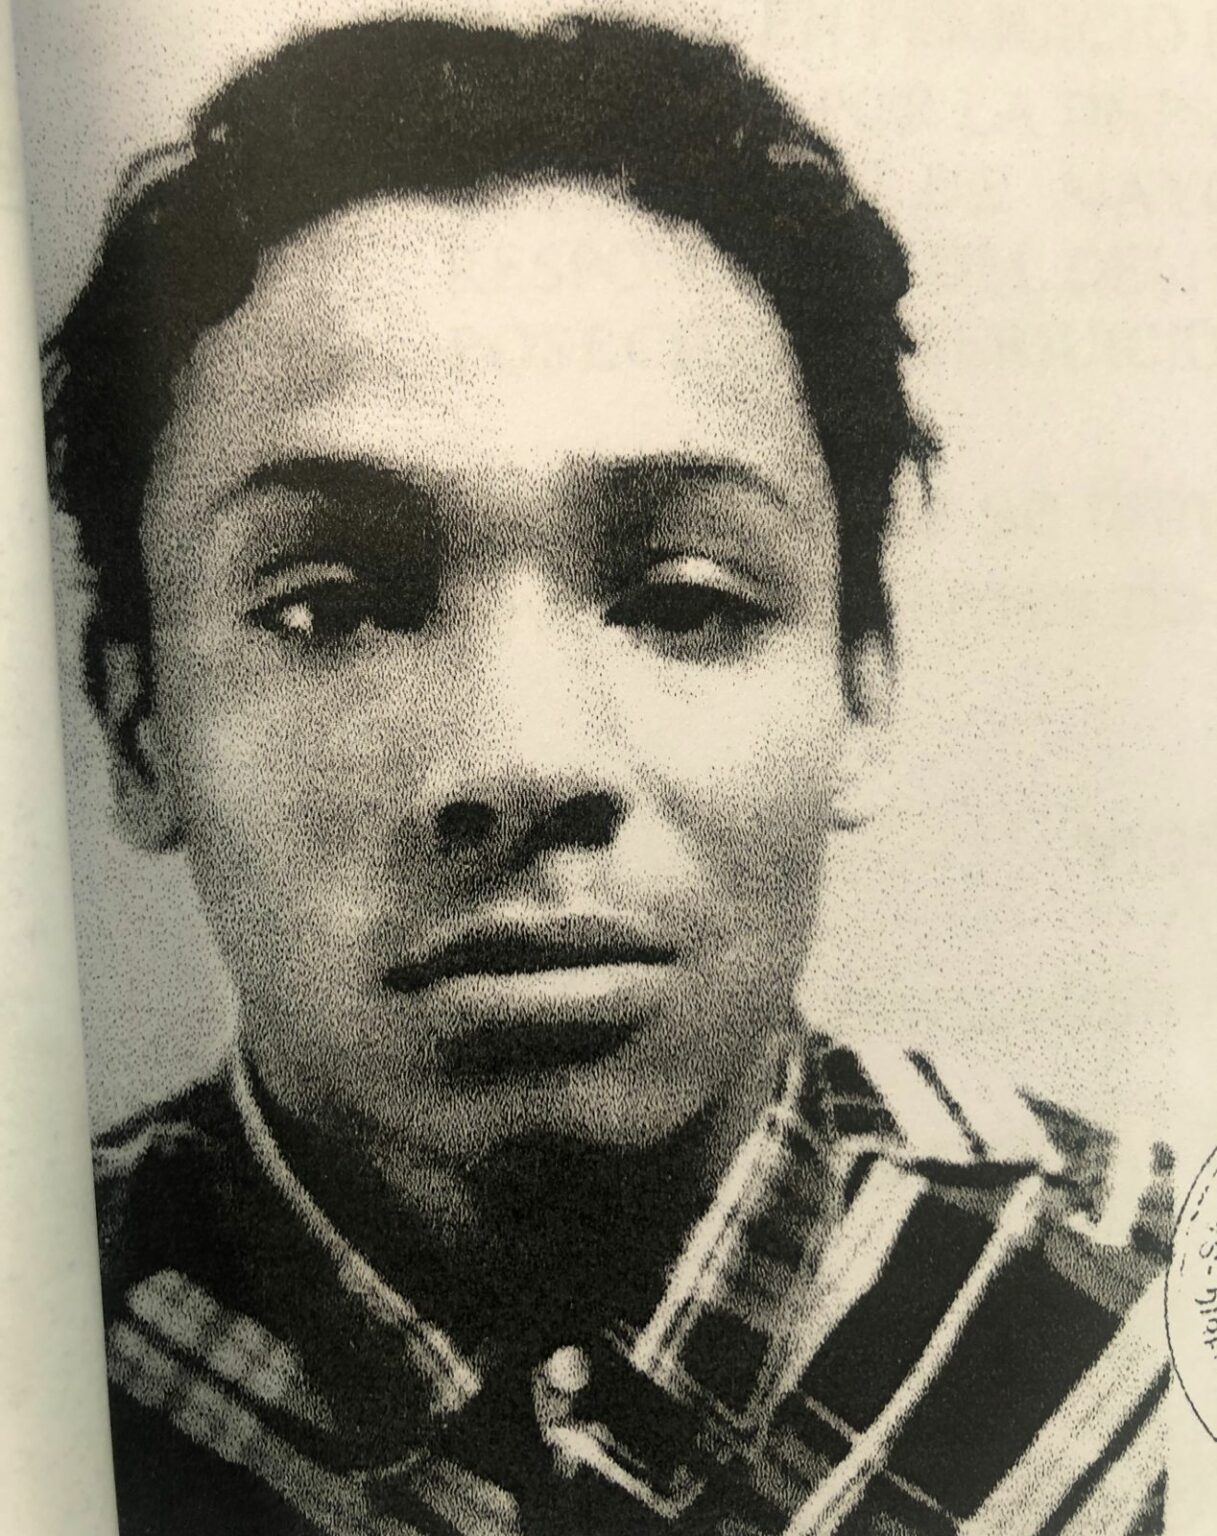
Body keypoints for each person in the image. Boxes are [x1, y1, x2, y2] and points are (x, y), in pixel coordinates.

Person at [43, 14, 1173, 1534]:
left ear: (857, 684)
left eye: (686, 601)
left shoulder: (1155, 1342)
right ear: (136, 727)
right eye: (328, 607)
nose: (526, 759)